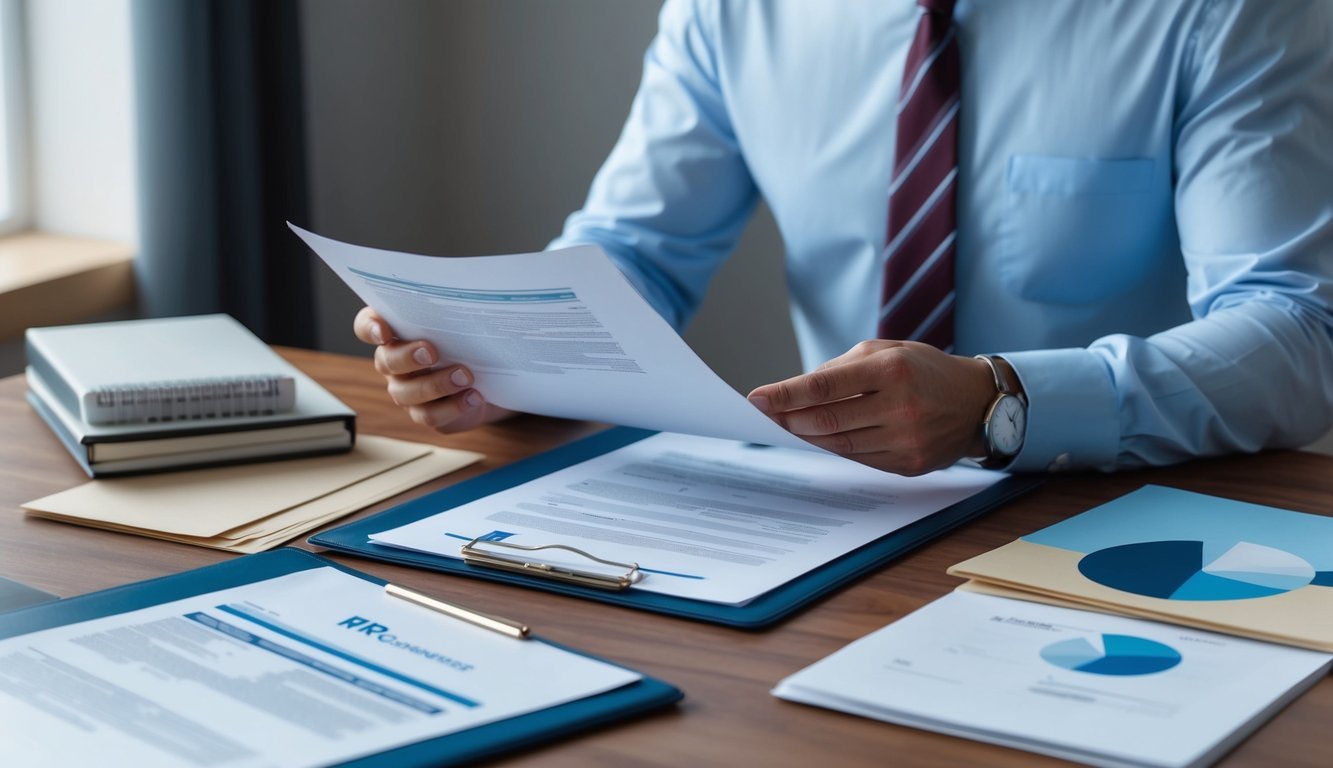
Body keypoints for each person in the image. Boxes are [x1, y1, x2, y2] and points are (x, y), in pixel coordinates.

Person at [355, 0, 1333, 476]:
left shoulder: (1225, 11)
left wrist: (1007, 399)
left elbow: (1297, 331)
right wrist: (498, 351)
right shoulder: (730, 11)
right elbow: (638, 252)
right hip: (841, 509)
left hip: (1125, 505)